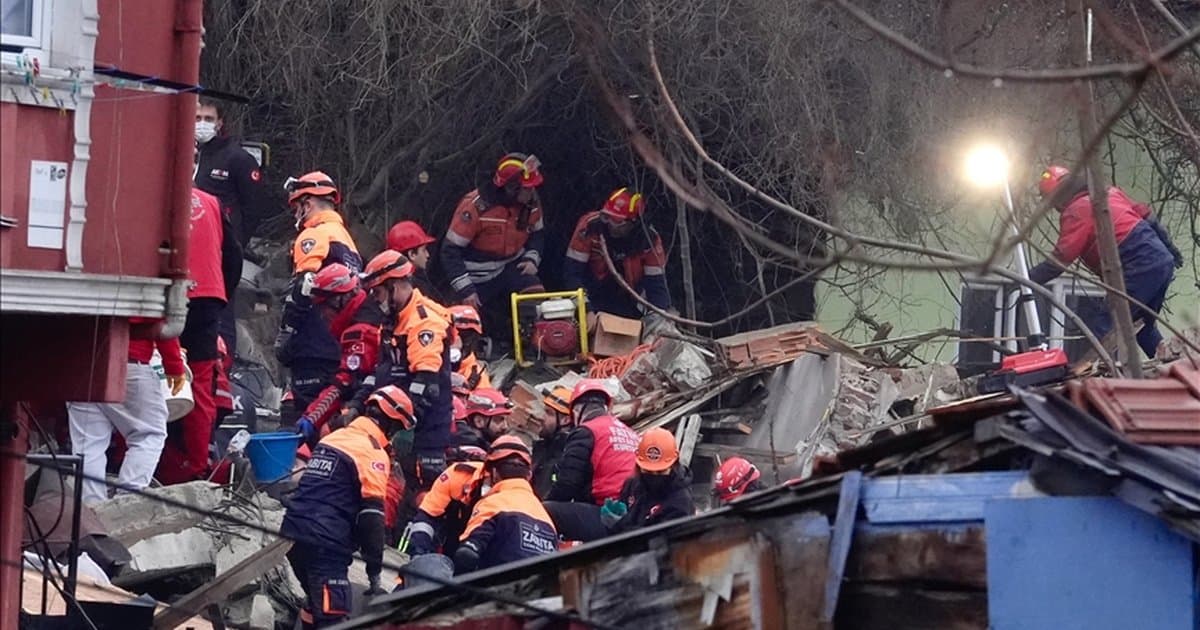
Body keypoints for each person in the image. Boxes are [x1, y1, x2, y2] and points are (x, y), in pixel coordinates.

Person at [281, 385, 415, 629]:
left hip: (293, 534)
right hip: (326, 543)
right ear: (391, 423)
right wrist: (374, 571)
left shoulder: (332, 438)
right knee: (334, 614)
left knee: (315, 603)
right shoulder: (372, 452)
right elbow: (372, 517)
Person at [1030, 166, 1180, 358]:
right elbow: (1145, 215)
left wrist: (1027, 279)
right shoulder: (1109, 193)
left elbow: (1061, 259)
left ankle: (1103, 376)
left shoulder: (1077, 210)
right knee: (1141, 324)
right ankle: (1168, 362)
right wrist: (1170, 248)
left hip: (1137, 263)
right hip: (1161, 260)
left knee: (1107, 325)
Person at [350, 250, 454, 499]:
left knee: (421, 500)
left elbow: (426, 386)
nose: (374, 299)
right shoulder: (391, 323)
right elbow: (381, 373)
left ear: (394, 286)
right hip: (393, 428)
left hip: (425, 434)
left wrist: (404, 426)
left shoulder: (424, 322)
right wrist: (356, 404)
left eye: (378, 292)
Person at [157, 188, 235, 485]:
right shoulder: (213, 201)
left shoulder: (153, 194)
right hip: (208, 298)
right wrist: (220, 293)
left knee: (151, 370)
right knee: (201, 384)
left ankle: (133, 458)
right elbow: (234, 255)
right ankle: (198, 466)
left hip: (165, 293)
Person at [67, 320, 185, 505]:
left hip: (82, 365)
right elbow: (163, 324)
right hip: (129, 364)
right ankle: (127, 503)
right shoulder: (143, 290)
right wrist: (175, 366)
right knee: (149, 435)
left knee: (87, 446)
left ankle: (91, 509)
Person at [275, 171, 362, 419]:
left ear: (309, 204)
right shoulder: (348, 242)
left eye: (297, 207)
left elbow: (304, 286)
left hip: (311, 346)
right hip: (339, 346)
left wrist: (286, 334)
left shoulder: (314, 234)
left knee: (306, 419)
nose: (295, 214)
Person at [193, 96, 263, 357]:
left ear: (219, 122)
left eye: (208, 119)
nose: (202, 124)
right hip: (191, 249)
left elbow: (253, 208)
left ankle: (224, 367)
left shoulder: (237, 159)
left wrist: (235, 244)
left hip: (222, 251)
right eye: (198, 118)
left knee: (221, 310)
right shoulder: (191, 154)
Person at [441, 153, 546, 317]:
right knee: (465, 320)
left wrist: (532, 259)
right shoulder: (474, 207)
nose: (532, 191)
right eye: (527, 188)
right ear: (511, 187)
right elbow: (450, 251)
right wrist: (466, 290)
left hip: (512, 267)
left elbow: (538, 235)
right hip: (475, 277)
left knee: (536, 298)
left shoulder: (531, 203)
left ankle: (536, 340)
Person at [293, 263, 387, 445]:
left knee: (328, 433)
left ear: (338, 301)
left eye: (322, 307)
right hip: (382, 397)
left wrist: (311, 418)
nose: (322, 315)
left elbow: (344, 382)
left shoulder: (360, 331)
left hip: (375, 406)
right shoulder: (368, 310)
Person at [454, 435, 558, 574]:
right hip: (536, 592)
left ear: (494, 473)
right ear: (528, 475)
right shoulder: (546, 518)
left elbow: (467, 555)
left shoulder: (493, 504)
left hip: (498, 589)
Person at [564, 188, 671, 319]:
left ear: (634, 223)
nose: (610, 224)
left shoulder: (649, 241)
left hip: (629, 297)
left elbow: (657, 287)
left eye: (617, 221)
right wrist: (585, 310)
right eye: (607, 217)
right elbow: (572, 273)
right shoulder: (590, 226)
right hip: (591, 292)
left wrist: (660, 318)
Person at [544, 379, 638, 505]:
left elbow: (568, 483)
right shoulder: (630, 433)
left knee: (549, 510)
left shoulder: (587, 431)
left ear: (577, 411)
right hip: (633, 508)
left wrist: (543, 507)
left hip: (606, 508)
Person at [387, 219, 446, 304]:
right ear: (412, 254)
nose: (427, 255)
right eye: (424, 250)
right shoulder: (412, 288)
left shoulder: (414, 277)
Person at [531, 385, 573, 498]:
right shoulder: (546, 447)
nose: (541, 417)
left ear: (566, 420)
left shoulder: (563, 457)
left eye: (549, 413)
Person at [452, 388, 512, 452]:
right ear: (479, 421)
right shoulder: (473, 453)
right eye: (499, 420)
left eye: (506, 420)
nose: (505, 426)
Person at [448, 304, 492, 390]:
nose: (460, 340)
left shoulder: (478, 376)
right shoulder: (423, 359)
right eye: (457, 333)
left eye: (468, 336)